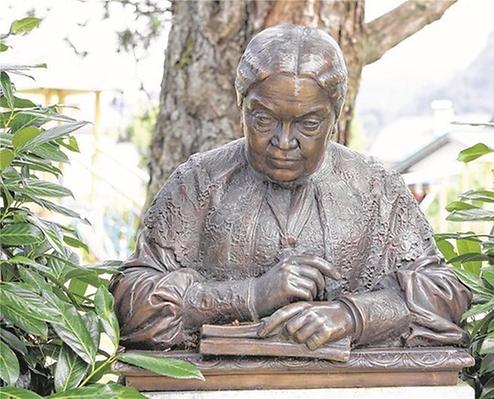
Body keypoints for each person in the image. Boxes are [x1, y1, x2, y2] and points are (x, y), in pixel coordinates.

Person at [110, 24, 471, 352]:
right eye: (263, 119)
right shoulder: (199, 181)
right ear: (242, 108)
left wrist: (352, 316)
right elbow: (134, 301)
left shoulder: (377, 189)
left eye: (308, 123)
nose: (283, 141)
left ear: (336, 117)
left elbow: (445, 294)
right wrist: (250, 295)